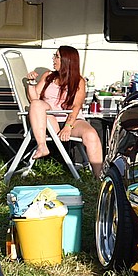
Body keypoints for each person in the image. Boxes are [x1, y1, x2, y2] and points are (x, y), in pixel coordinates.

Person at [26, 45, 104, 179]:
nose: (53, 59)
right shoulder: (48, 76)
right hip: (49, 119)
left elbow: (76, 106)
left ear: (67, 61)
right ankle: (42, 146)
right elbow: (34, 99)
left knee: (91, 134)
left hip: (72, 119)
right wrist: (31, 83)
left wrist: (68, 127)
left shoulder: (79, 81)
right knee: (36, 104)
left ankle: (99, 178)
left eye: (57, 56)